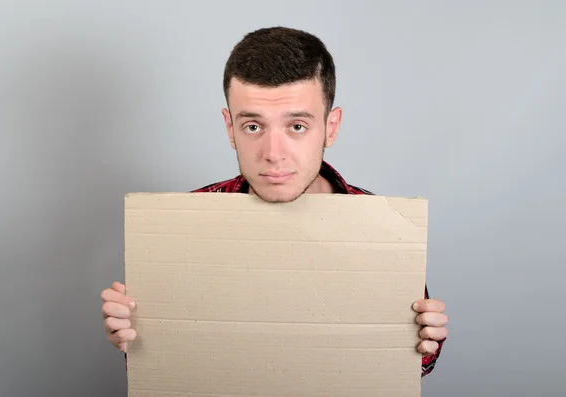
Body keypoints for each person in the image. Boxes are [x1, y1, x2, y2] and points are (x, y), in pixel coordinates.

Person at [101, 26, 448, 377]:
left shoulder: (384, 227)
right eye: (253, 126)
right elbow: (170, 368)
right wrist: (138, 337)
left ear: (331, 126)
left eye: (297, 126)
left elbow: (411, 368)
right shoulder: (186, 224)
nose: (273, 154)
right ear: (230, 128)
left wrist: (424, 345)